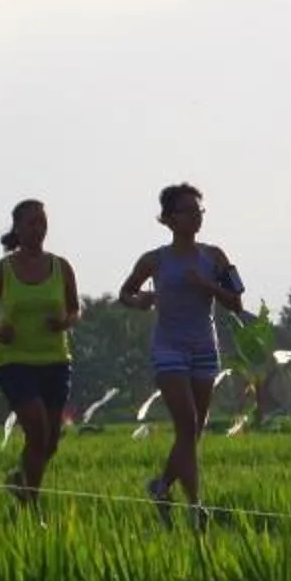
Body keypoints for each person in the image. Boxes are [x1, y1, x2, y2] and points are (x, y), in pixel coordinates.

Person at [116, 182, 246, 523]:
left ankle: (161, 486)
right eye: (188, 211)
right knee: (186, 425)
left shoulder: (214, 256)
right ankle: (194, 505)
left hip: (205, 348)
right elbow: (125, 293)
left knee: (195, 430)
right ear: (169, 219)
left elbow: (236, 303)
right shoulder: (154, 260)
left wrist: (207, 286)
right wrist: (139, 300)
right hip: (169, 349)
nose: (195, 217)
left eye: (199, 211)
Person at [0, 198, 79, 506]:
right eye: (31, 223)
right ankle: (31, 502)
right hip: (15, 363)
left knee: (51, 442)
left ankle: (21, 481)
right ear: (17, 228)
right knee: (37, 431)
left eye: (42, 222)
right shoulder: (2, 271)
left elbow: (74, 311)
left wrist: (63, 323)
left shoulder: (61, 267)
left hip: (56, 361)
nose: (38, 228)